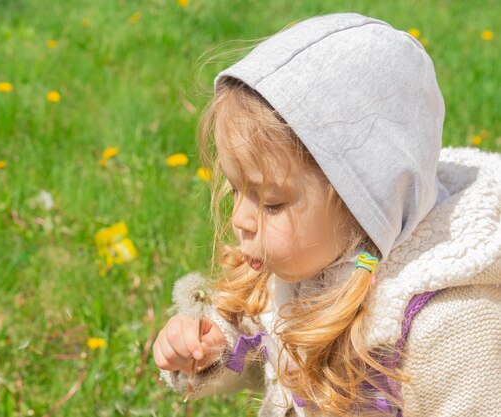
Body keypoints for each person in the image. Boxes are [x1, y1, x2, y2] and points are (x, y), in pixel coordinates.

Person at [152, 12, 501, 417]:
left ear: (361, 201)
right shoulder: (301, 260)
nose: (240, 221)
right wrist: (211, 348)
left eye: (271, 204)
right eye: (237, 191)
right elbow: (255, 353)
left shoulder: (450, 323)